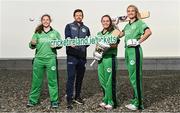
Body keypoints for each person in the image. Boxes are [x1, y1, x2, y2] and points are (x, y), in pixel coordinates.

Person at [119, 5, 152, 110]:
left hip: (135, 51)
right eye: (128, 11)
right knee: (132, 77)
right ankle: (134, 100)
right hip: (127, 51)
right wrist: (115, 25)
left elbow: (148, 32)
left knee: (136, 77)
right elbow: (119, 35)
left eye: (132, 11)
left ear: (136, 12)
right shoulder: (127, 25)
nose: (130, 12)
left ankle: (139, 104)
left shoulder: (139, 23)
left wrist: (138, 41)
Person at [27, 14, 62, 108]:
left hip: (51, 59)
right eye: (44, 20)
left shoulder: (55, 33)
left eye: (47, 20)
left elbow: (60, 44)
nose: (46, 21)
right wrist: (32, 43)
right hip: (38, 59)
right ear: (42, 21)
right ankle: (33, 100)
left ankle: (54, 101)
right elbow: (31, 46)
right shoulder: (37, 33)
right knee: (36, 81)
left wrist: (57, 45)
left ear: (50, 21)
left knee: (52, 80)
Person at [65, 9, 90, 109]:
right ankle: (69, 99)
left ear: (82, 16)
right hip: (72, 56)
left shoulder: (86, 28)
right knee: (71, 77)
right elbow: (67, 38)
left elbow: (88, 42)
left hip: (82, 57)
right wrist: (70, 42)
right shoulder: (69, 26)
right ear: (74, 16)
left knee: (80, 78)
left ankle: (77, 96)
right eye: (77, 15)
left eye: (80, 15)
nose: (79, 16)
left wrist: (82, 44)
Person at [97, 15, 121, 110]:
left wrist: (106, 45)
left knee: (109, 81)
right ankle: (105, 99)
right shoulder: (99, 34)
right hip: (101, 59)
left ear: (110, 22)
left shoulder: (114, 32)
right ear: (101, 22)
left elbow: (115, 44)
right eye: (104, 21)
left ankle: (112, 102)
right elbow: (97, 46)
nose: (105, 22)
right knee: (102, 80)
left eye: (107, 21)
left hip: (110, 58)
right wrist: (96, 53)